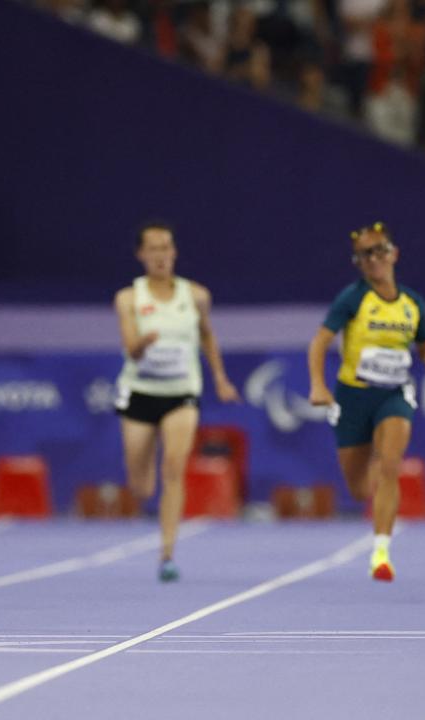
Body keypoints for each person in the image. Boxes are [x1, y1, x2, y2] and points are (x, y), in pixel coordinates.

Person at [307, 222, 425, 582]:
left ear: (393, 253)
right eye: (366, 255)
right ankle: (376, 485)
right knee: (358, 489)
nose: (375, 259)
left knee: (389, 465)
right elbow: (319, 342)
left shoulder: (412, 303)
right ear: (359, 263)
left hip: (393, 394)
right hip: (353, 396)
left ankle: (381, 552)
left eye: (380, 250)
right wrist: (318, 386)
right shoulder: (353, 299)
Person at [114, 221, 240, 582]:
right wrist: (143, 343)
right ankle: (146, 467)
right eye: (152, 249)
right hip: (140, 393)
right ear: (141, 255)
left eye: (165, 247)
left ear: (174, 253)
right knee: (141, 486)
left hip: (182, 392)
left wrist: (219, 378)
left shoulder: (196, 296)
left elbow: (207, 336)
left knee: (174, 467)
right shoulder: (129, 298)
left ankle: (167, 552)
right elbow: (130, 348)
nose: (160, 255)